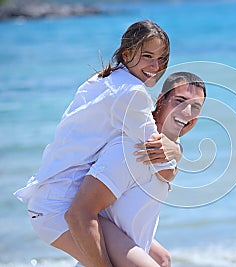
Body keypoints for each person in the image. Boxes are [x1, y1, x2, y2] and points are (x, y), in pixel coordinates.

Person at [14, 20, 181, 265]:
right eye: (147, 56)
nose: (156, 67)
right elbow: (162, 165)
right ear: (127, 53)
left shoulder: (100, 79)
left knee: (161, 259)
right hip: (61, 207)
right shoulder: (132, 93)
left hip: (63, 199)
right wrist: (176, 149)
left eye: (162, 59)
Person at [66, 72, 206, 267]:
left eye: (196, 107)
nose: (187, 112)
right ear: (161, 100)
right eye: (180, 101)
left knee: (164, 260)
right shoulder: (132, 148)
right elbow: (82, 211)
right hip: (105, 256)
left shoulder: (169, 146)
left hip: (126, 246)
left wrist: (177, 152)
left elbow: (166, 171)